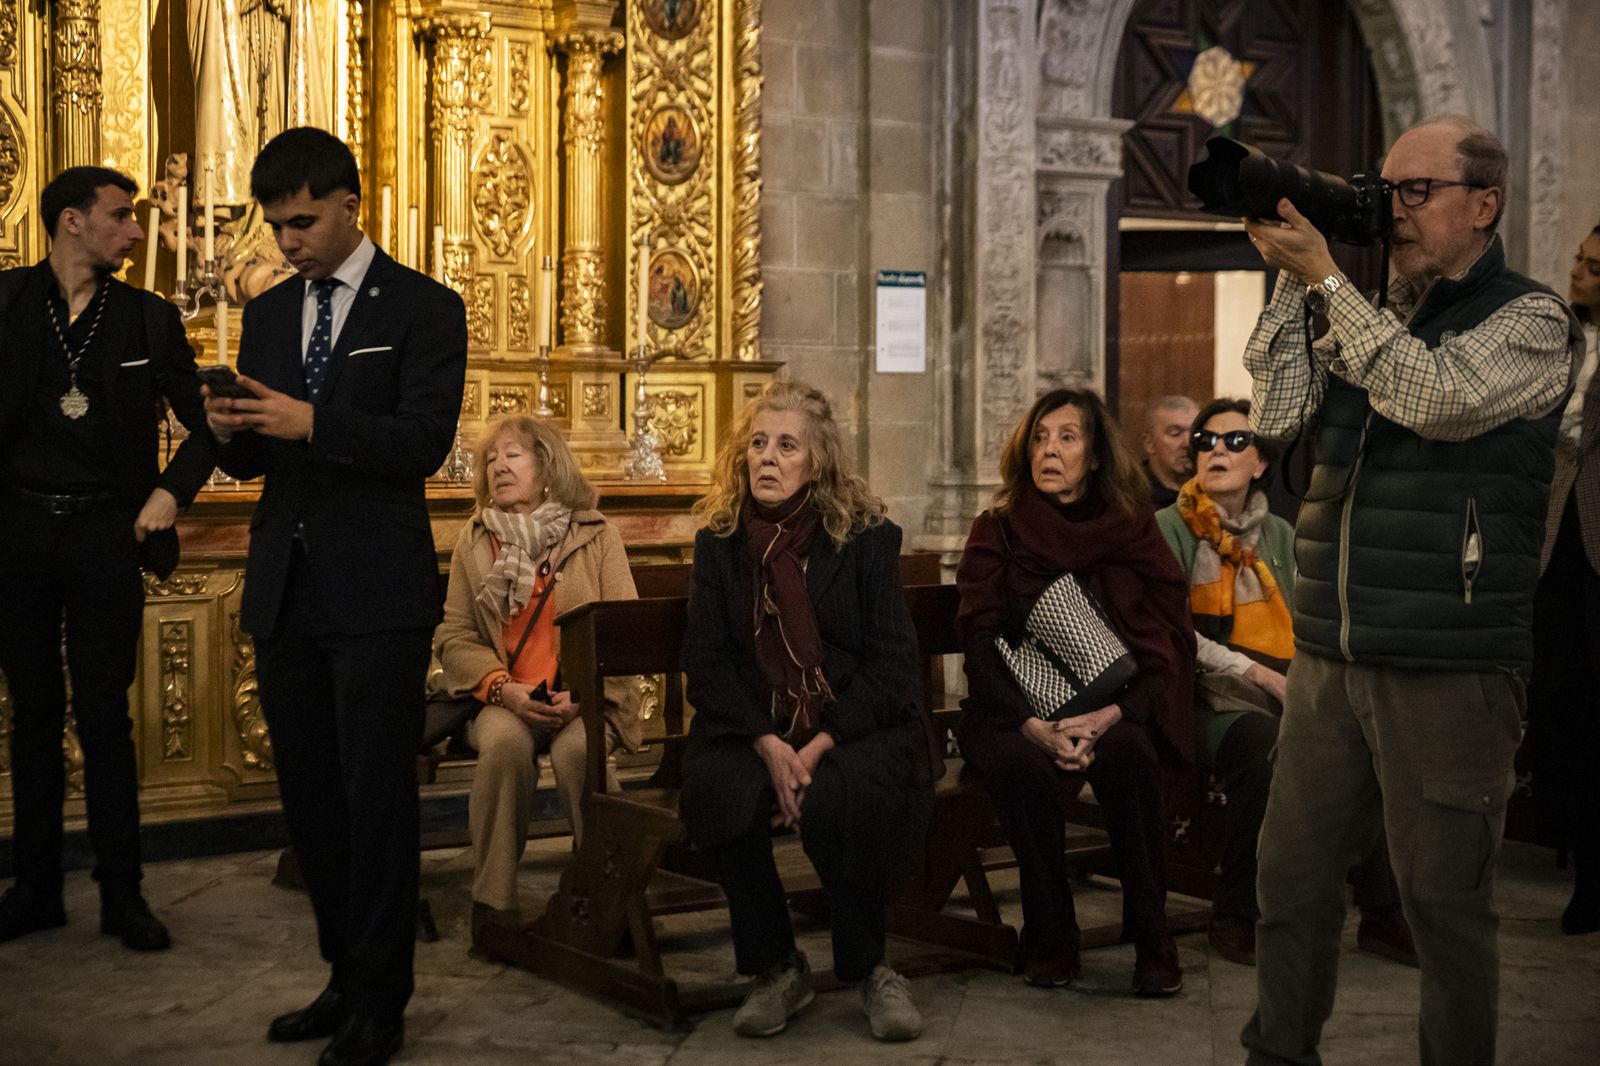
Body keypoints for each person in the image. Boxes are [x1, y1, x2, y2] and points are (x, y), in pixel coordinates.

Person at [1239, 114, 1582, 1066]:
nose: (1391, 210)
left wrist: (1330, 286)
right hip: (1330, 652)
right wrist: (1290, 276)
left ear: (1485, 204)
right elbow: (1273, 410)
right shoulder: (1362, 308)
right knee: (1291, 883)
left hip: (1448, 658)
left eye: (1415, 192)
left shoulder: (1531, 319)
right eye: (1383, 191)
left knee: (1444, 906)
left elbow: (1436, 398)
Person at [203, 127, 466, 1066]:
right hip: (289, 585)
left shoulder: (426, 308)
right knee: (310, 802)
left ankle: (383, 1001)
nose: (288, 243)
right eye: (275, 226)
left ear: (353, 203)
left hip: (376, 587)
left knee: (375, 798)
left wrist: (310, 420)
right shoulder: (271, 315)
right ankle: (341, 975)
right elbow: (255, 457)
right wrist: (226, 425)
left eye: (304, 221)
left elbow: (421, 445)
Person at [0, 166, 216, 951]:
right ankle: (35, 890)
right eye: (121, 217)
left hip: (106, 536)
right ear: (71, 222)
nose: (135, 230)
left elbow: (209, 424)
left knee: (104, 717)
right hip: (18, 534)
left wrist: (171, 494)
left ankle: (123, 895)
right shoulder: (8, 304)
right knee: (31, 717)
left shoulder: (147, 319)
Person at [678, 380, 930, 1042]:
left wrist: (816, 745)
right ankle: (776, 967)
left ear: (816, 461)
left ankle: (871, 966)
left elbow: (892, 666)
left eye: (785, 445)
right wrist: (767, 743)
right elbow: (705, 663)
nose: (766, 457)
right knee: (722, 787)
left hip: (855, 723)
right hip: (753, 725)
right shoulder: (721, 542)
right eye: (757, 443)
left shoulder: (866, 540)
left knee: (838, 795)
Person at [1154, 398, 1415, 968]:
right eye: (1205, 442)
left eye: (1234, 442)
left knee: (1370, 738)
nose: (1216, 450)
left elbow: (1314, 622)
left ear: (1262, 464)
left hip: (1280, 686)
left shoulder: (1278, 532)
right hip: (1195, 696)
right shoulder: (1166, 529)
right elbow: (1170, 637)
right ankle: (1237, 910)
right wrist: (1259, 675)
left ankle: (1382, 913)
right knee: (1265, 748)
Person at [956, 387, 1195, 995]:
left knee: (1132, 756)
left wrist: (1113, 715)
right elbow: (978, 642)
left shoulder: (1132, 529)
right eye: (1039, 437)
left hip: (1113, 709)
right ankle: (1051, 933)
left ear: (1094, 456)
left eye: (1067, 437)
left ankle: (1152, 936)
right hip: (1015, 709)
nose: (1050, 450)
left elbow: (1162, 644)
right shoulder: (999, 531)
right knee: (1023, 769)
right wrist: (1033, 725)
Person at [431, 415, 641, 940]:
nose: (498, 466)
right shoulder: (475, 541)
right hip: (504, 700)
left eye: (513, 455)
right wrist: (504, 689)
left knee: (577, 753)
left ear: (546, 466)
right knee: (503, 748)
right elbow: (454, 636)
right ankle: (493, 905)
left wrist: (584, 694)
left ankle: (607, 896)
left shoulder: (596, 534)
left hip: (585, 698)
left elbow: (624, 627)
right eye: (491, 459)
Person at [1528, 222, 1600, 936]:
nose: (1578, 275)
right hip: (1556, 541)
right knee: (1564, 704)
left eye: (1595, 268)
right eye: (1579, 261)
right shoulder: (1560, 340)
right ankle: (1585, 866)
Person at [1141, 394, 1199, 509]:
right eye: (1175, 433)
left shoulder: (1212, 493)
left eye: (1195, 433)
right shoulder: (1132, 498)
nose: (1188, 443)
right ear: (1149, 443)